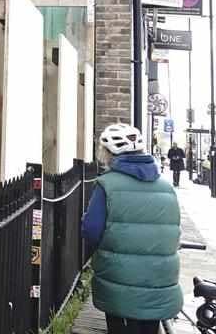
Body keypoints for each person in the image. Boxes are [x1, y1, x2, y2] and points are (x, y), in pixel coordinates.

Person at [81, 124, 183, 334]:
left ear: (109, 153)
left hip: (119, 278)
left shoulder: (106, 185)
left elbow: (91, 230)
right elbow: (174, 233)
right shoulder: (167, 188)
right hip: (159, 279)